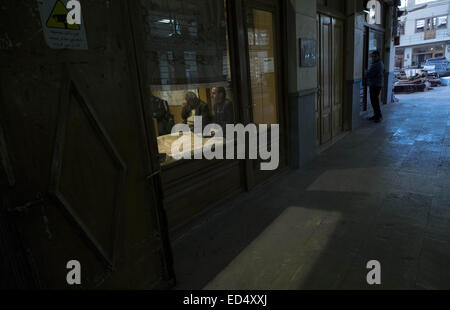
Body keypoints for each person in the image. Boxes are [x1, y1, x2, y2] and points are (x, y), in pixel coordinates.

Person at [366, 50, 385, 123]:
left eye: (375, 56)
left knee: (375, 101)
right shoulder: (378, 63)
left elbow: (369, 74)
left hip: (375, 85)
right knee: (374, 101)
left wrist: (366, 72)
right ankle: (376, 115)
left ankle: (378, 116)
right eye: (372, 56)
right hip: (376, 84)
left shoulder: (377, 64)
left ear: (378, 56)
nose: (373, 58)